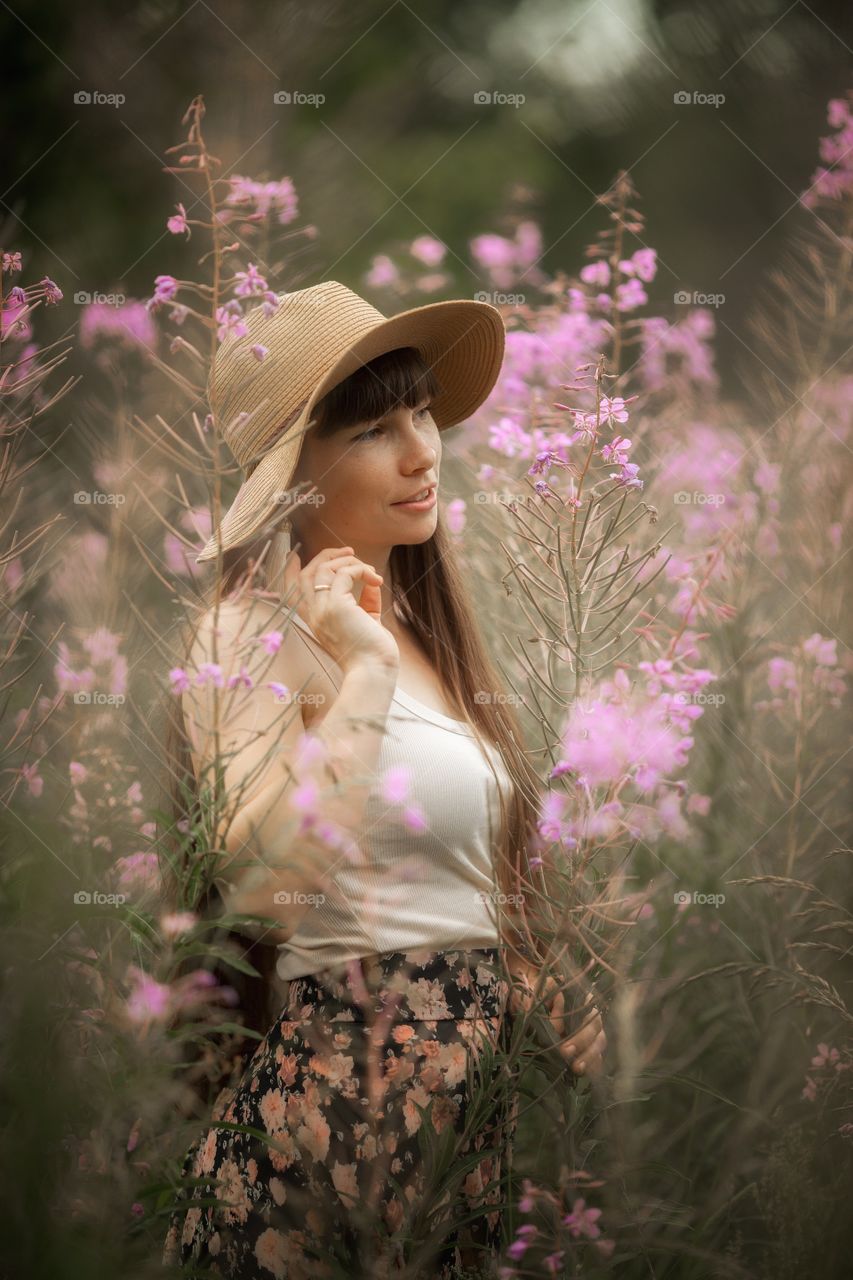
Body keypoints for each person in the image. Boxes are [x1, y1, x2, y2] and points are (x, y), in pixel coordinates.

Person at [161, 281, 606, 1279]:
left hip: (457, 1141)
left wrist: (526, 981)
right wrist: (356, 670)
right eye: (374, 428)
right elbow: (270, 886)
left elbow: (447, 879)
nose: (421, 449)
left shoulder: (426, 624)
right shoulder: (244, 634)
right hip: (329, 1139)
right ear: (295, 475)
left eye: (420, 412)